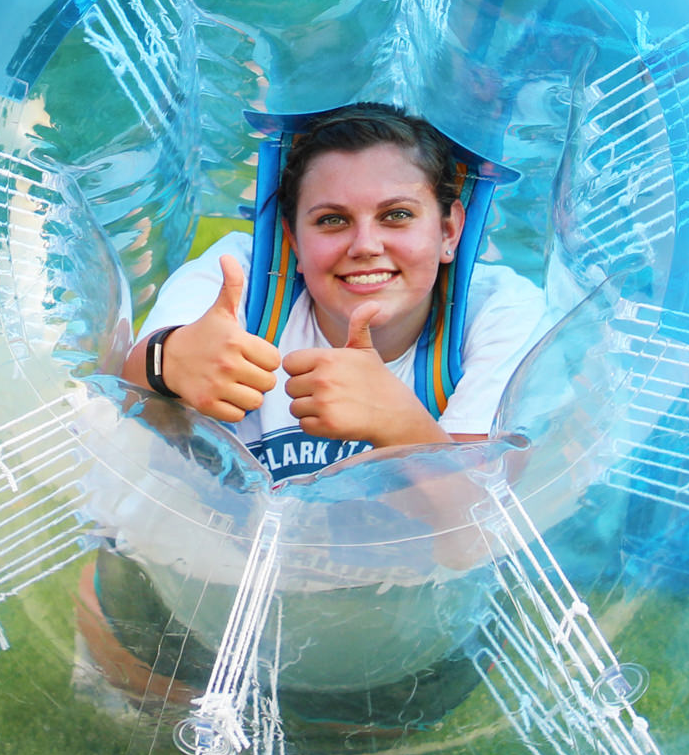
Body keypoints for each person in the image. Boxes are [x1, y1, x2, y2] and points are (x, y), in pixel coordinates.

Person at [131, 104, 545, 478]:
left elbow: (471, 531)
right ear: (292, 238)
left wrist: (399, 424)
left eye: (397, 215)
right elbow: (117, 399)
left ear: (449, 230)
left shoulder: (497, 311)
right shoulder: (241, 283)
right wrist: (166, 360)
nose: (365, 245)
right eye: (332, 220)